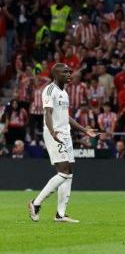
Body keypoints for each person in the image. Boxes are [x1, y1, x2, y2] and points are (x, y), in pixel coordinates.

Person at [28, 63, 99, 223]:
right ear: (56, 74)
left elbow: (66, 117)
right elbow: (47, 112)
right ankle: (35, 203)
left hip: (65, 134)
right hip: (56, 134)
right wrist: (53, 132)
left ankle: (60, 214)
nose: (69, 74)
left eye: (69, 71)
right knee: (64, 171)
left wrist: (84, 130)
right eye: (65, 72)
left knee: (69, 172)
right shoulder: (50, 90)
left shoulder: (64, 93)